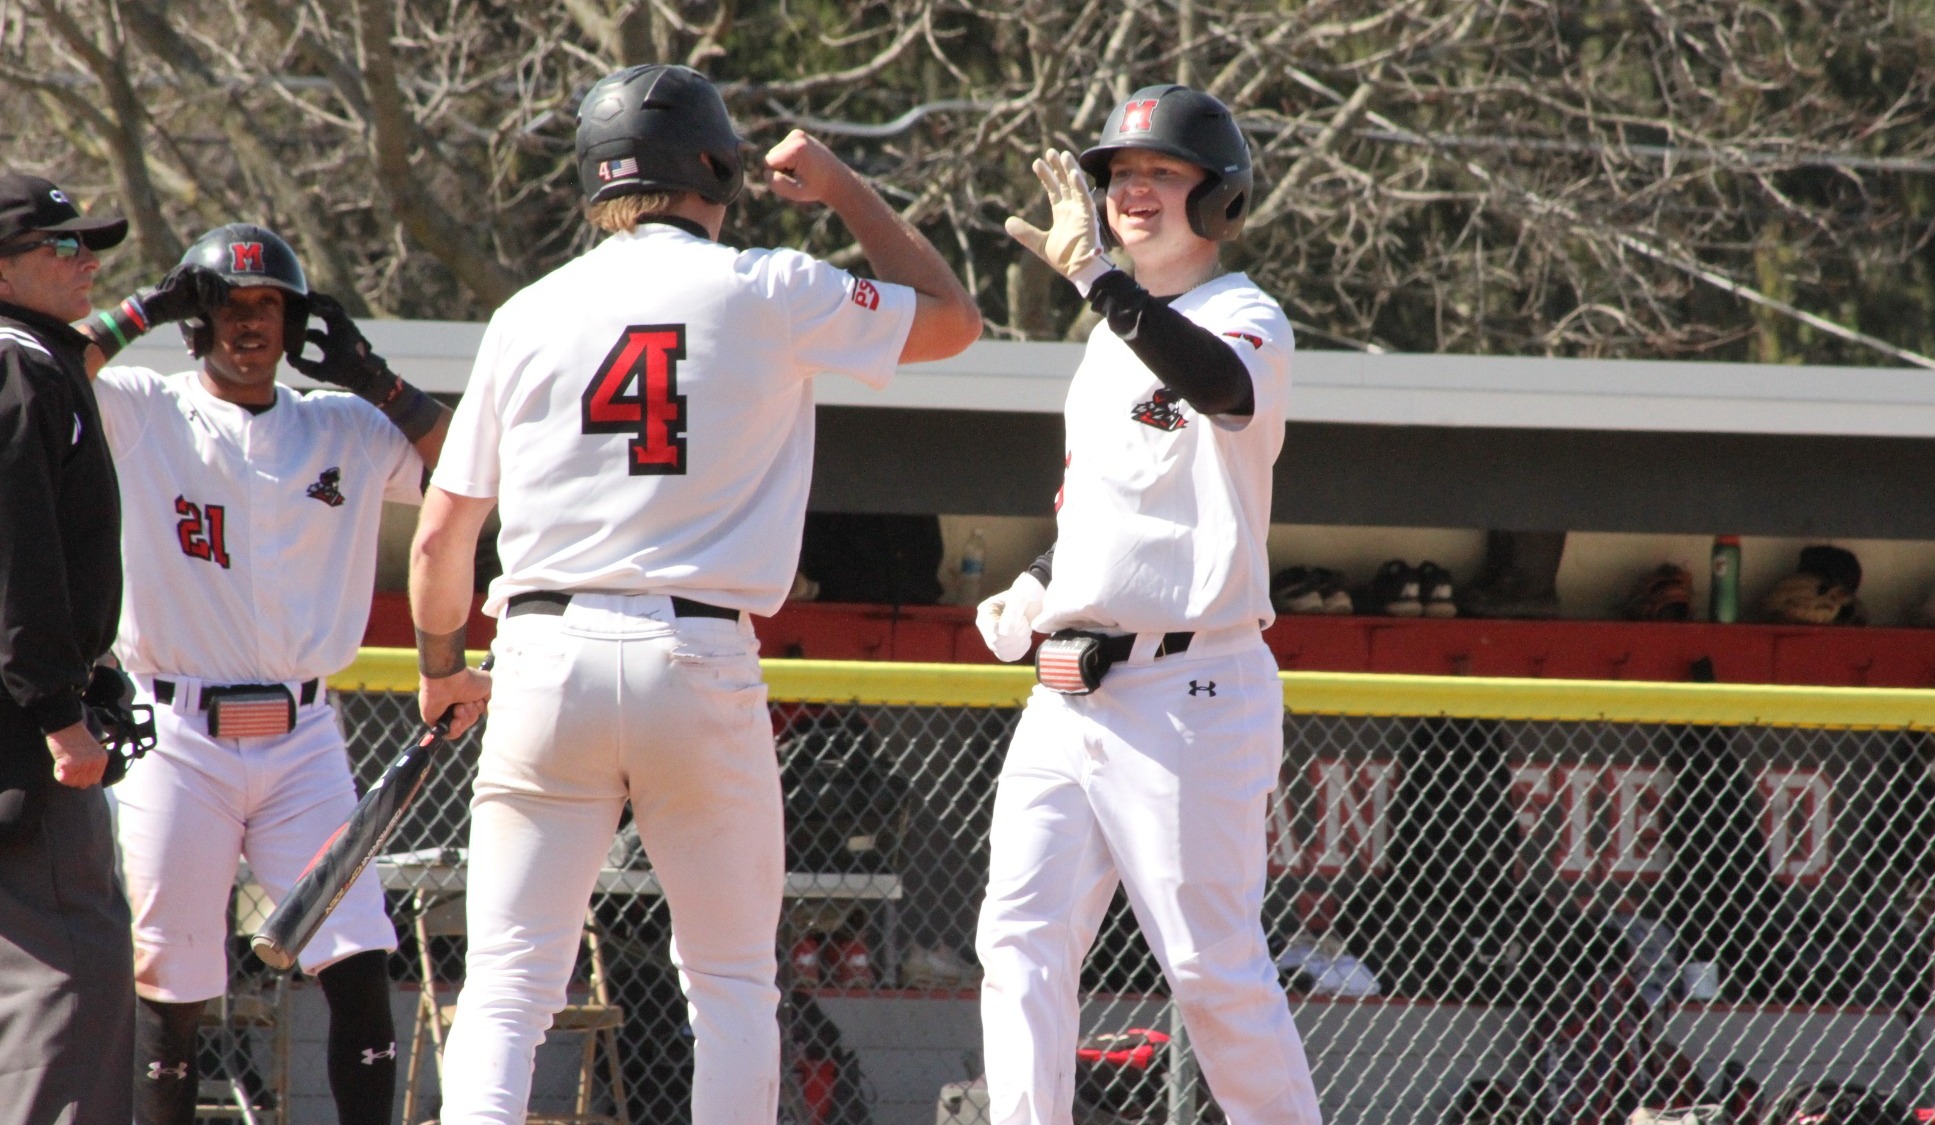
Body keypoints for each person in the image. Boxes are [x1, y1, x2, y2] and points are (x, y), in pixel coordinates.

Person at [408, 64, 978, 1124]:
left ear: (593, 180)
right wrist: (844, 187)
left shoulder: (528, 311)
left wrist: (442, 669)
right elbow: (951, 319)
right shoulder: (770, 285)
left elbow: (443, 534)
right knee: (726, 984)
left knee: (508, 986)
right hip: (696, 656)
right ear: (713, 169)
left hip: (541, 657)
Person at [973, 85, 1322, 1123]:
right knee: (1018, 939)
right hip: (1072, 681)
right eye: (1119, 174)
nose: (1130, 190)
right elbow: (1111, 503)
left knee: (1210, 970)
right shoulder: (1101, 340)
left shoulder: (1244, 316)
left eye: (1160, 173)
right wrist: (1039, 582)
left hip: (1190, 686)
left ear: (1217, 200)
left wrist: (1090, 276)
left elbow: (1213, 383)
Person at [79, 222, 453, 1125]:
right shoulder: (142, 405)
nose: (251, 325)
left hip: (306, 740)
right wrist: (147, 309)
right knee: (171, 985)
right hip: (177, 737)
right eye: (228, 307)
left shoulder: (345, 424)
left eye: (270, 307)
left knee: (361, 962)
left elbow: (475, 468)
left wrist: (376, 377)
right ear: (196, 324)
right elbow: (39, 368)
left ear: (295, 322)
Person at [0, 170, 136, 1124]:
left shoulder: (39, 360)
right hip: (21, 733)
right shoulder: (21, 366)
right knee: (71, 980)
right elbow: (17, 552)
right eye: (63, 246)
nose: (86, 259)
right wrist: (58, 709)